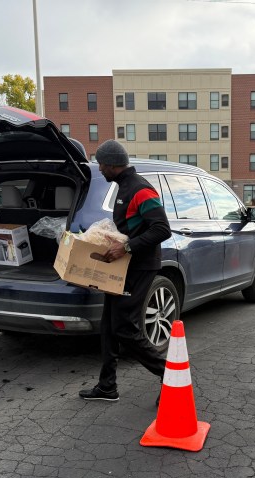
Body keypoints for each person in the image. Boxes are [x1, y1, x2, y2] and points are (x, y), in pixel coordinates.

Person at [79, 140, 172, 402]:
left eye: (101, 164)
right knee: (108, 327)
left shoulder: (140, 189)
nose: (99, 169)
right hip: (124, 267)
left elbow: (161, 229)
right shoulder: (123, 187)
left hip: (140, 267)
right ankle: (107, 386)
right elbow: (132, 227)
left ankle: (170, 375)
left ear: (111, 164)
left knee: (124, 328)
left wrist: (128, 246)